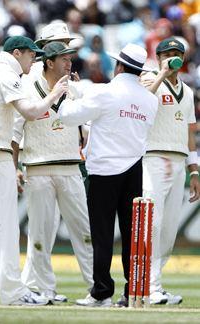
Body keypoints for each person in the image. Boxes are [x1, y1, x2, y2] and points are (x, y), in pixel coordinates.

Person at [0, 35, 68, 306]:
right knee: (4, 225)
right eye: (32, 55)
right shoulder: (7, 74)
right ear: (17, 53)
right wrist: (55, 93)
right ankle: (13, 292)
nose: (34, 60)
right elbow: (30, 111)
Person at [59, 43, 158, 307]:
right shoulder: (150, 99)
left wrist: (67, 96)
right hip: (134, 168)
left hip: (104, 169)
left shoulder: (105, 92)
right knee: (131, 234)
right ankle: (133, 292)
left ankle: (102, 292)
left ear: (119, 66)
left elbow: (68, 117)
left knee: (102, 234)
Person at [12, 41, 94, 303]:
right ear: (48, 62)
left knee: (84, 231)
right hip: (38, 169)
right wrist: (14, 168)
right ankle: (45, 290)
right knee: (40, 233)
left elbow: (90, 125)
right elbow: (15, 133)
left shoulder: (75, 89)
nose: (69, 64)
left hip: (71, 168)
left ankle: (97, 288)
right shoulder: (26, 87)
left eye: (70, 59)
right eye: (63, 59)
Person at [141, 37, 200, 305]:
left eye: (178, 54)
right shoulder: (147, 78)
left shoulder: (187, 91)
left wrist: (195, 171)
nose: (174, 58)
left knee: (168, 229)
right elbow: (141, 102)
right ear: (159, 55)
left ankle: (155, 285)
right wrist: (161, 72)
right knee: (152, 223)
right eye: (169, 53)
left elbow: (190, 133)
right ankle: (144, 286)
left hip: (178, 163)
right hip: (153, 157)